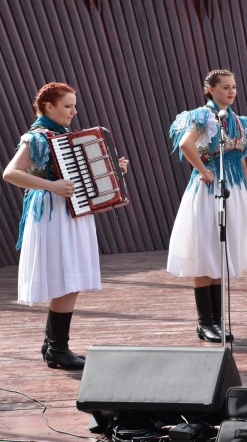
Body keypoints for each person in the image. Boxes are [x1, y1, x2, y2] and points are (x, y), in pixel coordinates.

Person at [3, 82, 129, 369]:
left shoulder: (62, 135)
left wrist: (113, 170)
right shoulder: (36, 136)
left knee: (70, 278)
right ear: (49, 107)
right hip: (53, 212)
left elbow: (82, 176)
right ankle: (57, 349)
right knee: (67, 278)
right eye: (68, 106)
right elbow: (11, 173)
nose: (74, 111)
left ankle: (53, 346)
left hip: (71, 211)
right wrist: (53, 186)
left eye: (74, 106)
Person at [167, 69, 247, 343]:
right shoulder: (204, 116)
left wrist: (244, 195)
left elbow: (240, 158)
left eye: (233, 86)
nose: (231, 91)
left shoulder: (239, 121)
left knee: (221, 254)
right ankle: (204, 322)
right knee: (205, 250)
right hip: (210, 187)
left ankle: (217, 321)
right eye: (225, 87)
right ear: (210, 89)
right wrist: (204, 171)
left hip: (232, 186)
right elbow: (186, 144)